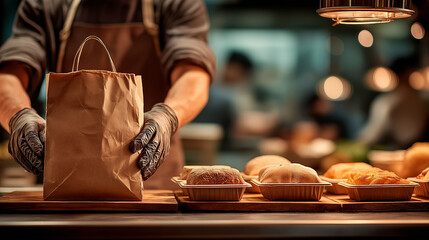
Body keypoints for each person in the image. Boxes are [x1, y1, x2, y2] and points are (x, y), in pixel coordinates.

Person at [0, 0, 215, 189]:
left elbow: (192, 75)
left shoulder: (176, 3)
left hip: (153, 185)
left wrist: (167, 117)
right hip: (64, 183)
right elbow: (9, 74)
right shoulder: (46, 4)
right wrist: (18, 116)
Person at [358, 56, 428, 149]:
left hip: (399, 151)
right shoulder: (423, 101)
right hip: (416, 148)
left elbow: (371, 135)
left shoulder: (387, 102)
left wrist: (357, 143)